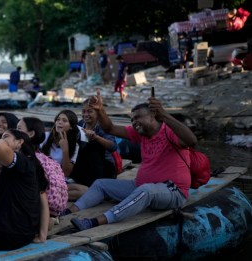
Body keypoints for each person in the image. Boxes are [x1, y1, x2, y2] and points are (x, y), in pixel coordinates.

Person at [69, 92, 197, 231]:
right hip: (139, 186)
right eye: (132, 120)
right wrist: (100, 110)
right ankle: (69, 211)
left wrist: (164, 115)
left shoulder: (170, 132)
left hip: (173, 192)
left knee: (146, 190)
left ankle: (93, 222)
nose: (134, 123)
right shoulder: (140, 134)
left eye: (137, 118)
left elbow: (192, 140)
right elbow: (110, 129)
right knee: (101, 184)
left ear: (153, 115)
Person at [17, 117, 67, 242]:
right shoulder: (42, 157)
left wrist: (42, 235)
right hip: (52, 210)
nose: (14, 131)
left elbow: (41, 194)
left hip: (36, 211)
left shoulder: (29, 160)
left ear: (30, 134)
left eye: (18, 129)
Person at [41, 110, 88, 201]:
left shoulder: (75, 145)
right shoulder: (45, 137)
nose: (60, 122)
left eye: (64, 121)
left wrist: (65, 150)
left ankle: (49, 195)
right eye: (58, 119)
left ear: (71, 126)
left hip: (58, 180)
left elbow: (66, 173)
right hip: (43, 177)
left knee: (85, 191)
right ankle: (50, 195)